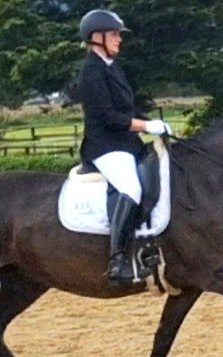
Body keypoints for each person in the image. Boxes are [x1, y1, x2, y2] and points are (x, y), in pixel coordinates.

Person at [76, 9, 171, 284]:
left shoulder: (112, 67)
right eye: (114, 34)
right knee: (131, 188)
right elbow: (108, 117)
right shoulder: (91, 72)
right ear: (97, 37)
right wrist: (145, 127)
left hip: (126, 143)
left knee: (159, 176)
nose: (119, 40)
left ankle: (150, 245)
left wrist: (151, 122)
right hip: (104, 146)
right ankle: (117, 260)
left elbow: (127, 109)